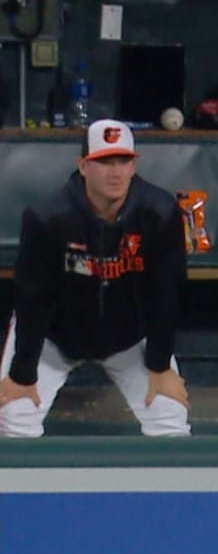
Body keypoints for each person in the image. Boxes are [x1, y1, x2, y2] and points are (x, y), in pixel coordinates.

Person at [0, 119, 191, 437]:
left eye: (123, 161)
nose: (115, 172)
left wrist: (159, 367)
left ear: (134, 165)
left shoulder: (159, 212)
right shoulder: (48, 217)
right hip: (55, 338)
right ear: (83, 166)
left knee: (169, 414)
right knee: (14, 416)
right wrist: (22, 374)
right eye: (104, 162)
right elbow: (33, 297)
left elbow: (165, 294)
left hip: (128, 337)